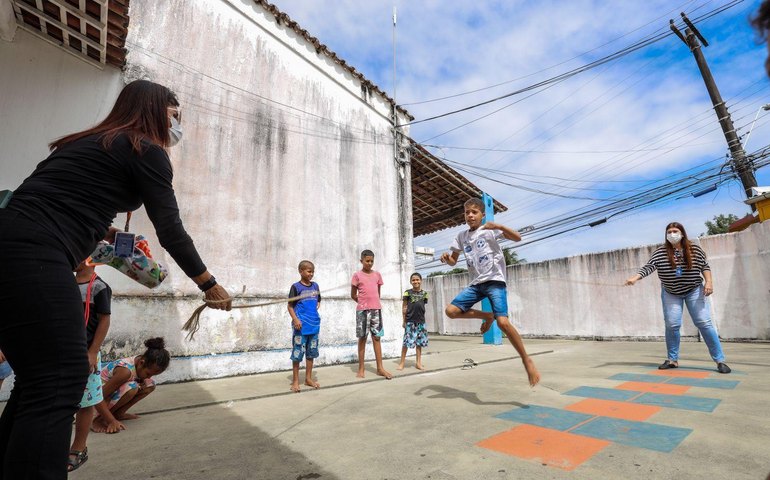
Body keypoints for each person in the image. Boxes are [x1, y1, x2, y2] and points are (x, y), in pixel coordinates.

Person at [0, 79, 232, 479]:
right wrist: (207, 282)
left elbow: (53, 196)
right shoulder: (145, 148)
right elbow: (170, 228)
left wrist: (102, 231)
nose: (178, 123)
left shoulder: (89, 141)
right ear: (155, 110)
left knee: (39, 379)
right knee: (62, 377)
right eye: (176, 114)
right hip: (35, 250)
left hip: (13, 241)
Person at [440, 198, 540, 387]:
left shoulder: (489, 230)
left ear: (482, 214)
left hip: (495, 281)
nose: (470, 215)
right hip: (477, 284)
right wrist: (447, 259)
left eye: (474, 212)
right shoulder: (461, 236)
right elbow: (454, 260)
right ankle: (487, 315)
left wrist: (498, 225)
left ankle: (526, 359)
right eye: (467, 212)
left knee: (503, 322)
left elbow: (517, 237)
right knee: (451, 311)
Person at [625, 222, 730, 373]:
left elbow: (704, 266)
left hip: (693, 290)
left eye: (675, 231)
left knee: (703, 322)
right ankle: (672, 360)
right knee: (672, 324)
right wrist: (635, 278)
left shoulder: (694, 250)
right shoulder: (660, 252)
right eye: (669, 232)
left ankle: (720, 361)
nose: (672, 234)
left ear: (682, 233)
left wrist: (709, 282)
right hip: (671, 292)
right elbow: (649, 267)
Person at [67, 261, 113, 472]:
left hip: (86, 354)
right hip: (64, 352)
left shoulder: (99, 287)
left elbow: (104, 320)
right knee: (64, 401)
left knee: (86, 402)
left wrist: (93, 351)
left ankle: (78, 448)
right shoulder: (65, 281)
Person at [92, 337, 170, 431]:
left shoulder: (141, 362)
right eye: (148, 374)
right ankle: (99, 419)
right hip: (95, 399)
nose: (149, 377)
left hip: (108, 396)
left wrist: (142, 380)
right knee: (132, 388)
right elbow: (98, 396)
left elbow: (142, 378)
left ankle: (118, 413)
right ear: (141, 363)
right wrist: (110, 420)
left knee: (150, 384)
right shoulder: (125, 372)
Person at [351, 250, 393, 379]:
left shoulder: (377, 275)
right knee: (362, 338)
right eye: (367, 261)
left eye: (371, 261)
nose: (369, 263)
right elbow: (353, 295)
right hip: (362, 311)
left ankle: (380, 368)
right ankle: (361, 368)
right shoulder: (357, 275)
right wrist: (363, 303)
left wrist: (373, 303)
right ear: (361, 261)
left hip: (376, 310)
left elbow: (378, 294)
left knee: (377, 338)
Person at [288, 260, 322, 392]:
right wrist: (296, 319)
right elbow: (290, 306)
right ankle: (296, 381)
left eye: (312, 271)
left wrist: (314, 313)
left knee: (311, 353)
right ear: (300, 271)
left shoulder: (315, 286)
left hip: (314, 326)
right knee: (297, 353)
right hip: (300, 327)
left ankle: (308, 378)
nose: (311, 274)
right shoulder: (296, 287)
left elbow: (318, 301)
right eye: (309, 271)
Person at [397, 273, 429, 371]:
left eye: (417, 279)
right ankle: (402, 363)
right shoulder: (407, 293)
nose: (415, 281)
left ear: (421, 280)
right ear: (411, 282)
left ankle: (418, 363)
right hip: (410, 321)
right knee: (406, 343)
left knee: (419, 343)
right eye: (413, 280)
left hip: (421, 322)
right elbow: (404, 307)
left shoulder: (425, 294)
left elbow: (423, 306)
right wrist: (404, 320)